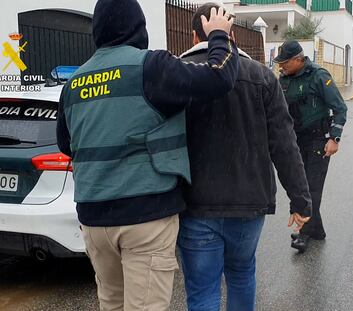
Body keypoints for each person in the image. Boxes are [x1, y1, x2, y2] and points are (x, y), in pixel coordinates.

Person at [56, 0, 239, 310]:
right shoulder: (151, 67)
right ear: (138, 27)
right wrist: (219, 35)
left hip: (93, 220)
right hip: (145, 217)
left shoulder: (74, 83)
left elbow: (65, 144)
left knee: (112, 304)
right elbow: (219, 77)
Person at [177, 3, 312, 311]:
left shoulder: (178, 74)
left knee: (202, 291)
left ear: (192, 35)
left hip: (196, 205)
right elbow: (284, 143)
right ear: (231, 35)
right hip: (249, 205)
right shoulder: (262, 77)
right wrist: (300, 200)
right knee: (241, 275)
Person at [274, 40, 347, 253]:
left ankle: (305, 232)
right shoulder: (284, 79)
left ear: (299, 59)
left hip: (318, 140)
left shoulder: (319, 76)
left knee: (311, 187)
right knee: (300, 184)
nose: (281, 66)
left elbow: (340, 108)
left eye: (285, 62)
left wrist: (335, 138)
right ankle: (318, 230)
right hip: (296, 140)